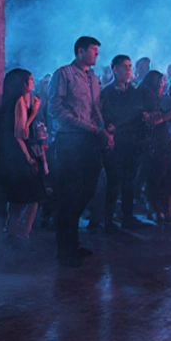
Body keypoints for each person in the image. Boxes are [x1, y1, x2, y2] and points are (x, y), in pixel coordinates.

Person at [47, 36, 112, 268]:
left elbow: (96, 110)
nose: (97, 54)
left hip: (90, 142)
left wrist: (104, 130)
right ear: (80, 51)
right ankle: (65, 250)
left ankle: (72, 244)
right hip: (70, 141)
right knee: (70, 194)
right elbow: (55, 108)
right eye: (94, 50)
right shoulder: (63, 74)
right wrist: (89, 127)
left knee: (87, 191)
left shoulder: (93, 78)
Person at [100, 55, 146, 230]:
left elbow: (138, 114)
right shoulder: (107, 93)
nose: (128, 70)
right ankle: (109, 220)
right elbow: (105, 117)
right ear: (115, 69)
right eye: (125, 67)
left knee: (129, 181)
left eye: (130, 66)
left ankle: (128, 216)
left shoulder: (134, 92)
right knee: (114, 182)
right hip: (115, 144)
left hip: (131, 143)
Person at [0, 69, 45, 244]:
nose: (33, 82)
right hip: (19, 156)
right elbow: (21, 134)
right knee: (29, 197)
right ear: (22, 83)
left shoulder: (13, 101)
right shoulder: (18, 102)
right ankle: (20, 235)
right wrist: (34, 111)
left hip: (13, 155)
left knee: (22, 199)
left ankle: (16, 235)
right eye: (30, 80)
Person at [139, 70, 171, 222]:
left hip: (169, 142)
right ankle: (157, 211)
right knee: (156, 179)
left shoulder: (166, 100)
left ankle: (168, 209)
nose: (164, 84)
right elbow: (152, 120)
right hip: (154, 145)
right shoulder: (144, 100)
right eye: (161, 81)